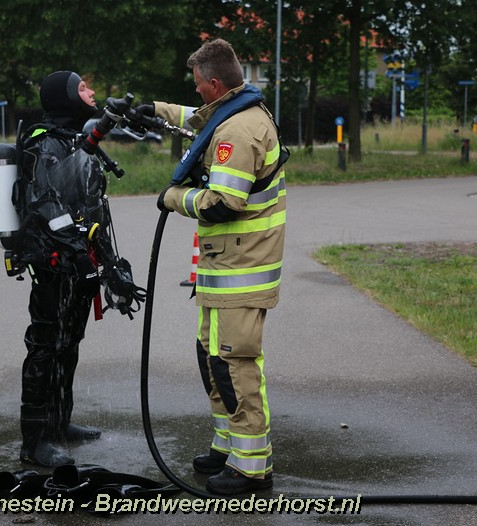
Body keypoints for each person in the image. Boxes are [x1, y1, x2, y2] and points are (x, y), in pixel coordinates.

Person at [137, 39, 287, 495]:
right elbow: (197, 119)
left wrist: (173, 198)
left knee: (234, 364)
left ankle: (251, 467)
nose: (196, 91)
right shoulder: (233, 111)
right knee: (212, 357)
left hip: (242, 268)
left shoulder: (238, 133)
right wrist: (153, 110)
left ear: (216, 83)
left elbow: (222, 204)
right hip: (227, 267)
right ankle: (227, 445)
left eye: (199, 84)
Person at [13, 71, 143, 467]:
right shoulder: (44, 143)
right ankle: (34, 441)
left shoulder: (74, 141)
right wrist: (77, 254)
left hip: (79, 263)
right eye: (83, 87)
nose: (91, 91)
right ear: (65, 96)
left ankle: (59, 423)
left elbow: (92, 209)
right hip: (53, 265)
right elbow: (46, 204)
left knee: (70, 343)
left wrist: (110, 264)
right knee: (45, 346)